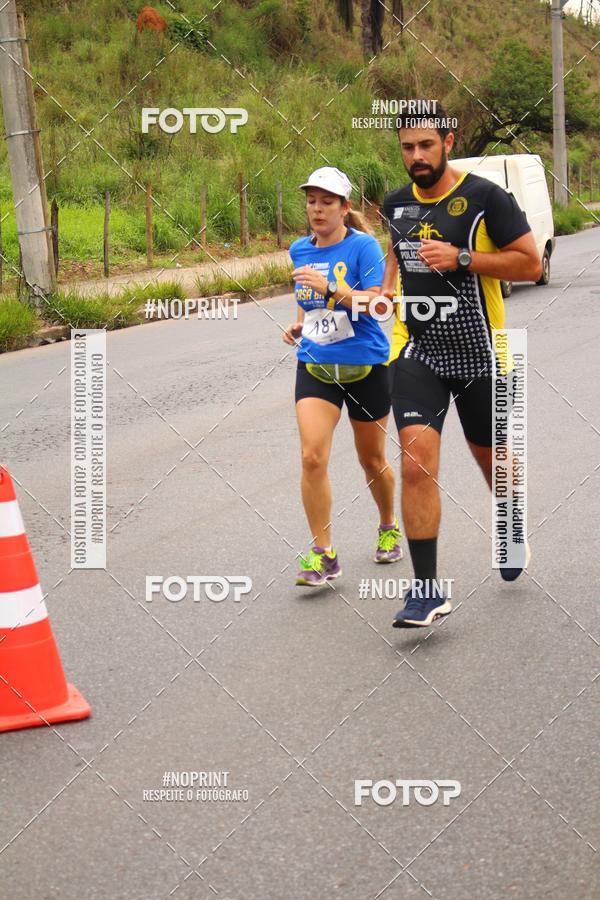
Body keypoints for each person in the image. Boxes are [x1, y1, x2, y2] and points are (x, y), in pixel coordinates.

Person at [380, 105, 541, 627]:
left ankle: (511, 523)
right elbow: (395, 257)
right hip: (417, 352)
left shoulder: (486, 198)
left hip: (479, 353)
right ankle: (427, 592)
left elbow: (530, 262)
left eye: (426, 145)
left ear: (448, 140)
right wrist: (384, 290)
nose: (417, 156)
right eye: (408, 147)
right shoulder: (396, 203)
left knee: (492, 462)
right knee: (414, 462)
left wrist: (464, 258)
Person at [283, 166, 403, 586]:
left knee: (371, 459)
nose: (317, 209)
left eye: (326, 202)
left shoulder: (364, 249)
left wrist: (332, 289)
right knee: (311, 456)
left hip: (365, 366)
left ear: (344, 207)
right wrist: (300, 324)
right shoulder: (299, 249)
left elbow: (378, 306)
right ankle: (323, 554)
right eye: (312, 201)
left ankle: (388, 524)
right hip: (316, 365)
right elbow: (307, 301)